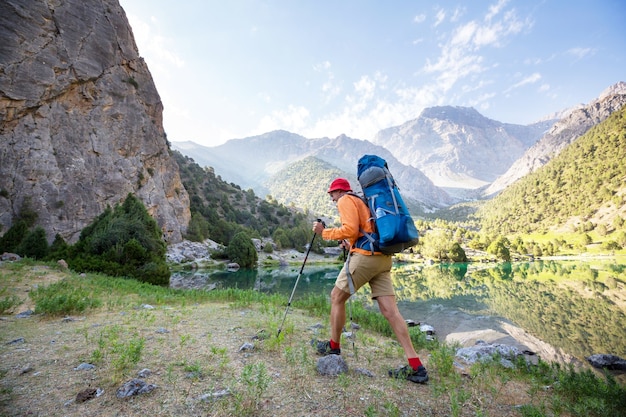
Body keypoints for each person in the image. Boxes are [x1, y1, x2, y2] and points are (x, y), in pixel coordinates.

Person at [311, 177, 428, 383]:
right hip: (382, 259)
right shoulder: (363, 201)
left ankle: (334, 347)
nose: (331, 199)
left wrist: (324, 233)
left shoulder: (346, 200)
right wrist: (351, 244)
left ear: (340, 191)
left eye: (332, 194)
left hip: (365, 259)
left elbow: (350, 230)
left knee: (336, 297)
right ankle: (416, 366)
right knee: (391, 312)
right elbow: (363, 231)